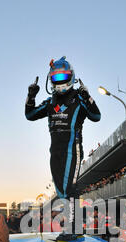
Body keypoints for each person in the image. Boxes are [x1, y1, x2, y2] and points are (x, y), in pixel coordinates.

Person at [25, 56, 101, 225]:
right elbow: (30, 115)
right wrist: (31, 96)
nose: (59, 82)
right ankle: (70, 226)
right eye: (55, 78)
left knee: (69, 188)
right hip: (55, 150)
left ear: (71, 77)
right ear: (51, 80)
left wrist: (87, 96)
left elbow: (96, 116)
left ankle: (74, 228)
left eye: (63, 77)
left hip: (71, 148)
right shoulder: (50, 101)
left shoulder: (79, 97)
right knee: (60, 190)